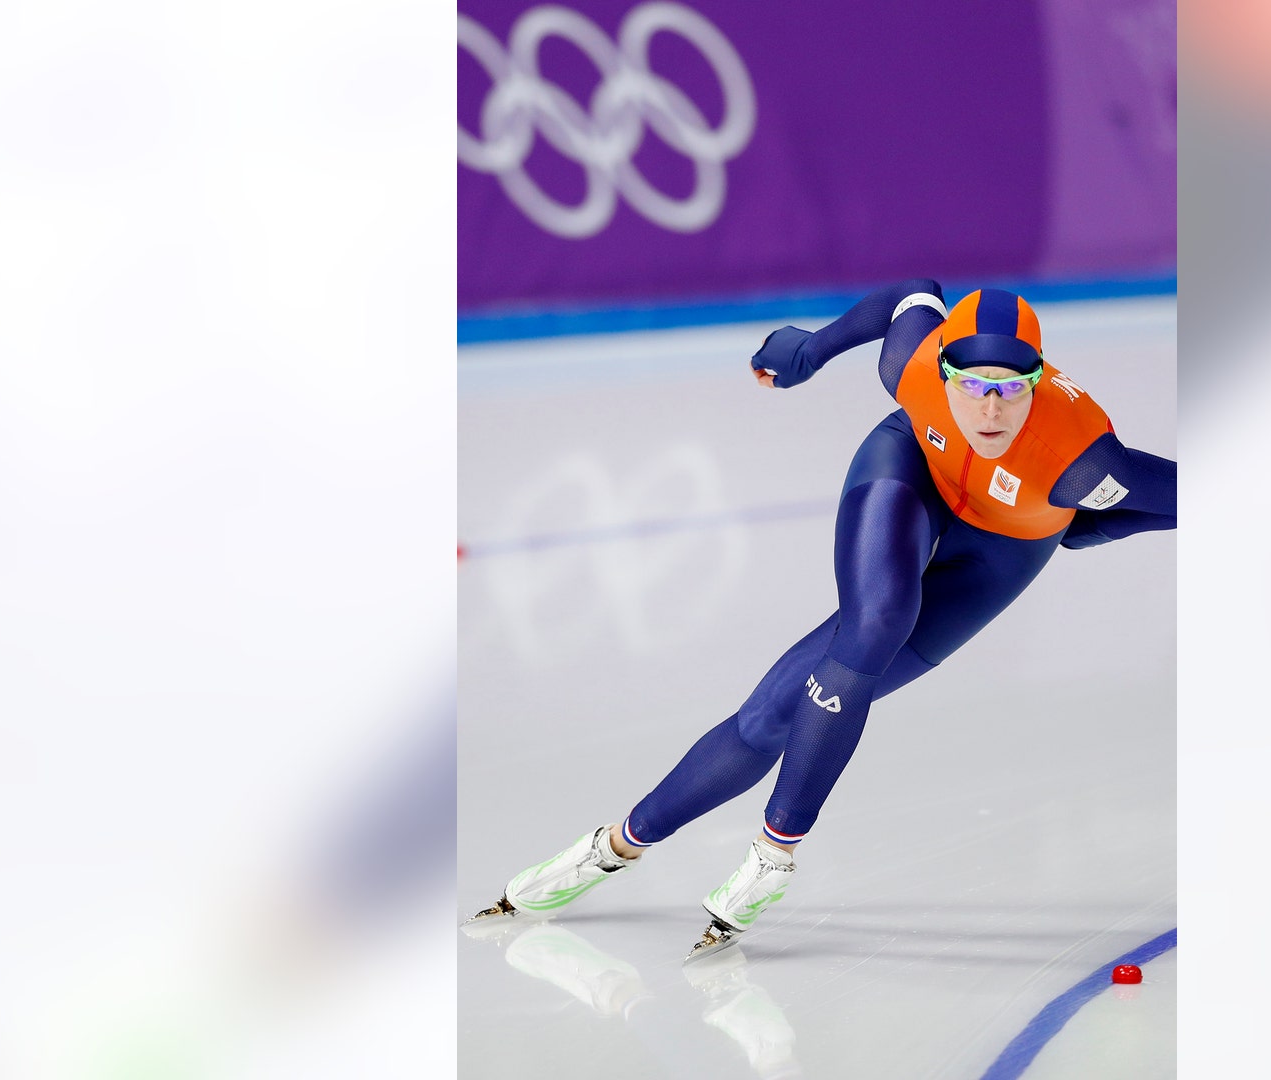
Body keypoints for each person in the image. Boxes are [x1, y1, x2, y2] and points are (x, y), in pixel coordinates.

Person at [470, 282, 1177, 957]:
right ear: (944, 370)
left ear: (1037, 380)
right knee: (866, 629)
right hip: (911, 476)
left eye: (1010, 389)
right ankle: (626, 848)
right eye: (972, 384)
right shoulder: (913, 366)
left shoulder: (1081, 459)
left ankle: (724, 846)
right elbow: (912, 291)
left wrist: (1096, 526)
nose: (990, 410)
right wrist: (814, 348)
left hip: (1005, 551)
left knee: (781, 710)